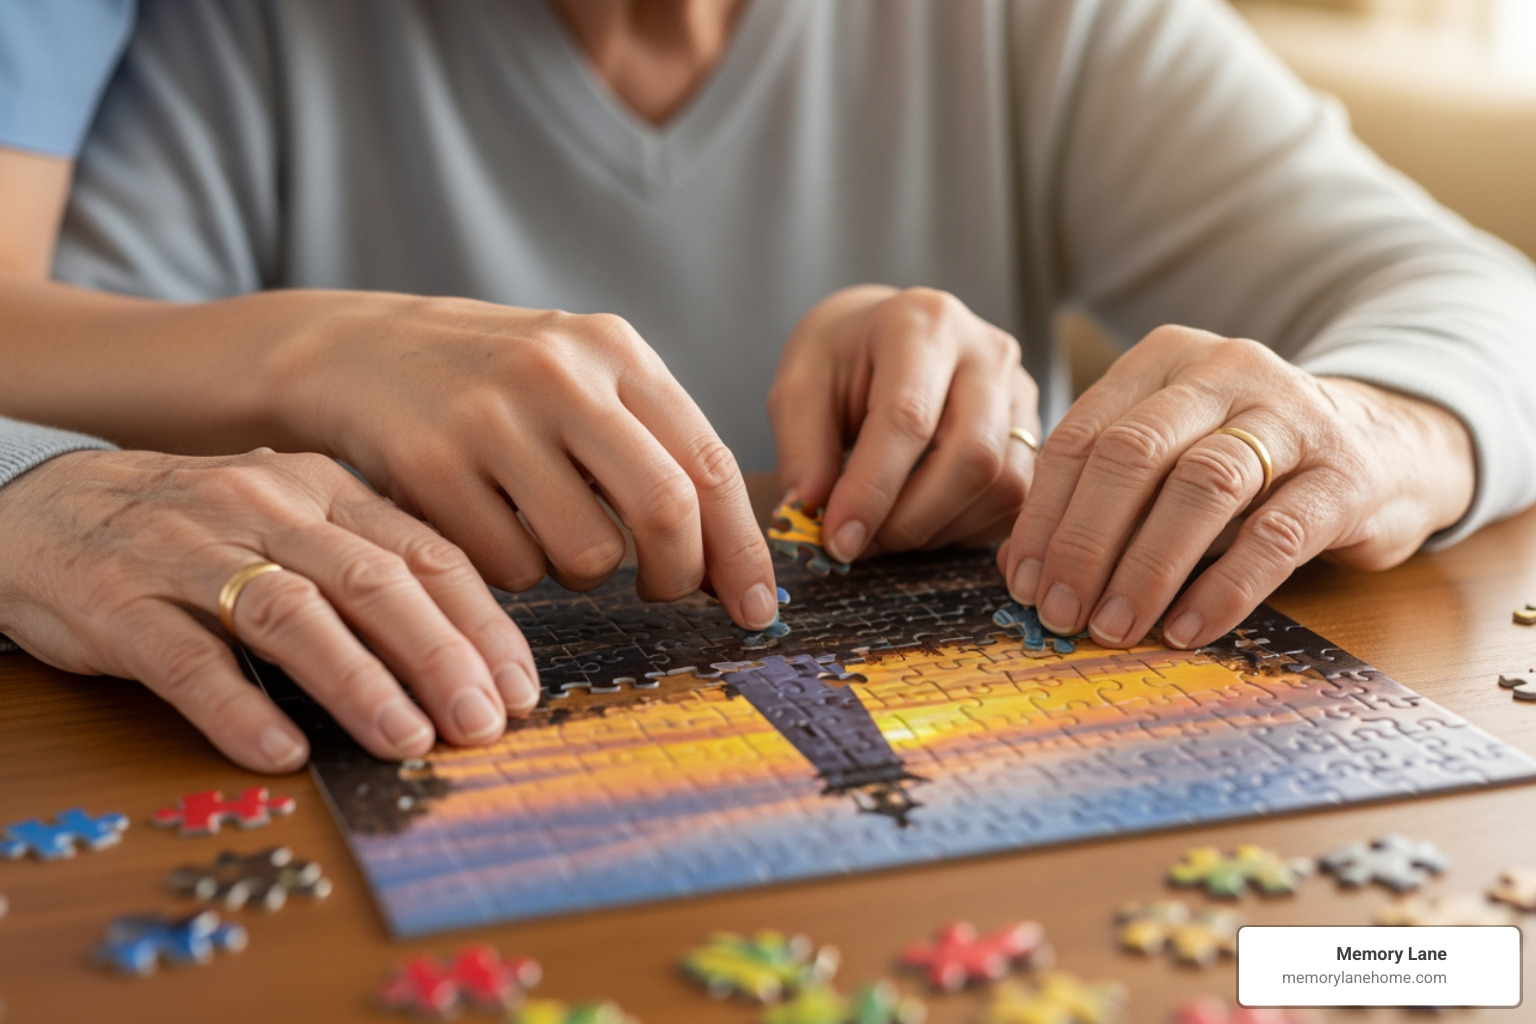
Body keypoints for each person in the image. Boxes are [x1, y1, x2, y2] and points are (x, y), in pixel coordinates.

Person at [2, 0, 1533, 775]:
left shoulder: (1047, 23)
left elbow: (1483, 303)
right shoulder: (230, 41)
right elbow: (45, 415)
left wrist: (1370, 425)